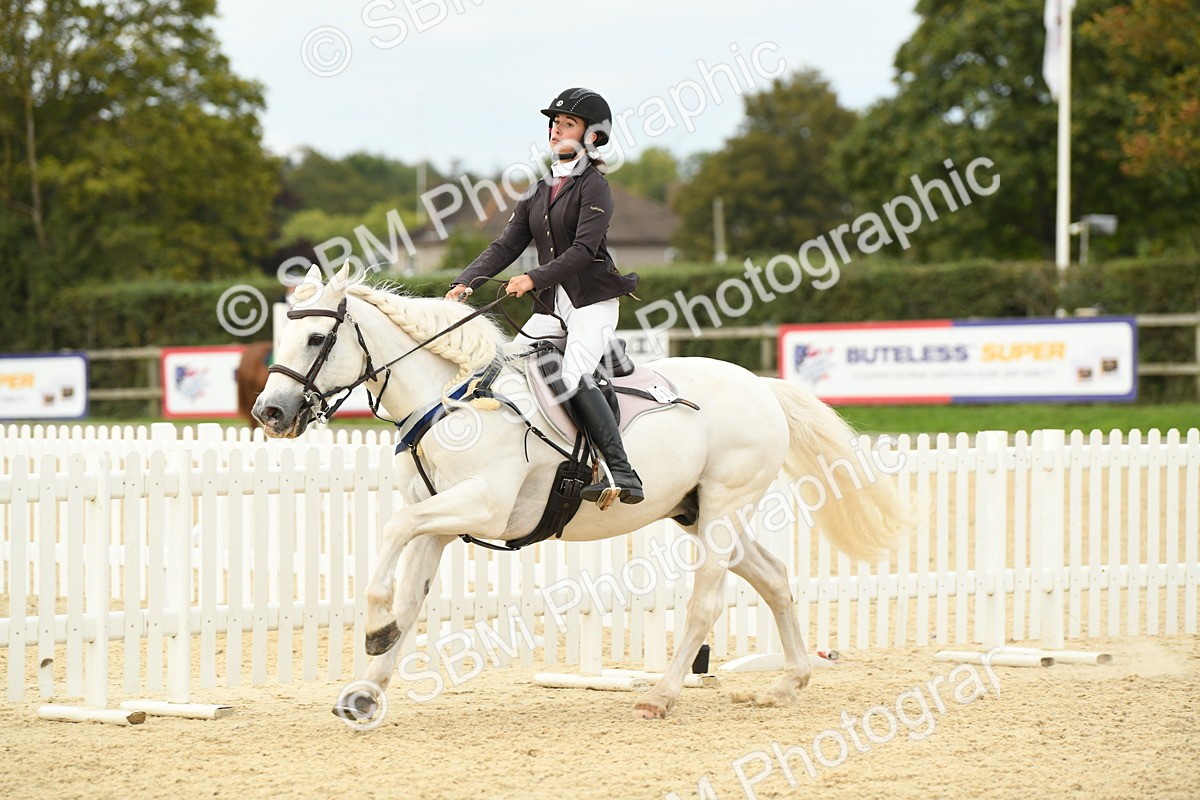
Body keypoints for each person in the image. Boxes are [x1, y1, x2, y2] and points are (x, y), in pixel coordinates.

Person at [445, 88, 643, 505]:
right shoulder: (539, 190)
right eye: (554, 122)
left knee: (571, 377)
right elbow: (504, 246)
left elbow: (582, 252)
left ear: (591, 137)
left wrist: (532, 278)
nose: (556, 129)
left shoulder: (596, 188)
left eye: (567, 123)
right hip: (552, 308)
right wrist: (467, 281)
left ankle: (622, 472)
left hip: (592, 302)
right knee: (502, 369)